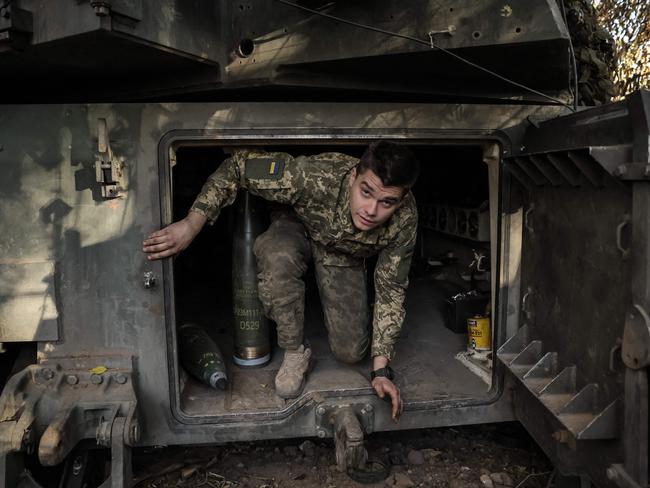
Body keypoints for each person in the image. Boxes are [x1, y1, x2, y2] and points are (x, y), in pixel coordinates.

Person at [143, 141, 419, 420]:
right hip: (297, 225)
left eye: (387, 202)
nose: (371, 210)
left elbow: (391, 288)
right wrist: (191, 224)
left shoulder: (405, 218)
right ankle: (295, 349)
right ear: (352, 178)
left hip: (340, 252)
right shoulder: (310, 176)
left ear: (401, 199)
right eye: (366, 192)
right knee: (276, 255)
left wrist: (381, 370)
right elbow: (237, 167)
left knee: (350, 353)